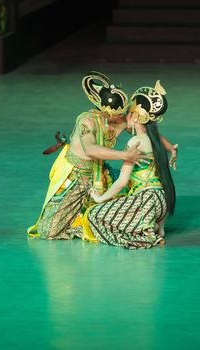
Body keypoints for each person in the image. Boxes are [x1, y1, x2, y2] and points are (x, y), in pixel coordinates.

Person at [27, 72, 177, 241]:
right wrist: (125, 155)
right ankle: (82, 220)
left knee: (126, 190)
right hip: (76, 176)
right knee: (49, 231)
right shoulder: (86, 122)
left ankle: (106, 218)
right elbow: (90, 149)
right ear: (103, 111)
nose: (119, 118)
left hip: (100, 175)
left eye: (121, 114)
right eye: (115, 115)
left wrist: (171, 148)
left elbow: (147, 129)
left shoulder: (119, 118)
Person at [83, 81, 176, 249]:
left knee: (94, 216)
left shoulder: (135, 142)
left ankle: (144, 234)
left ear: (135, 116)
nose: (126, 117)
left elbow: (122, 182)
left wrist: (99, 198)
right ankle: (156, 228)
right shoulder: (157, 143)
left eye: (129, 113)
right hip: (161, 203)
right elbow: (163, 182)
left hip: (145, 202)